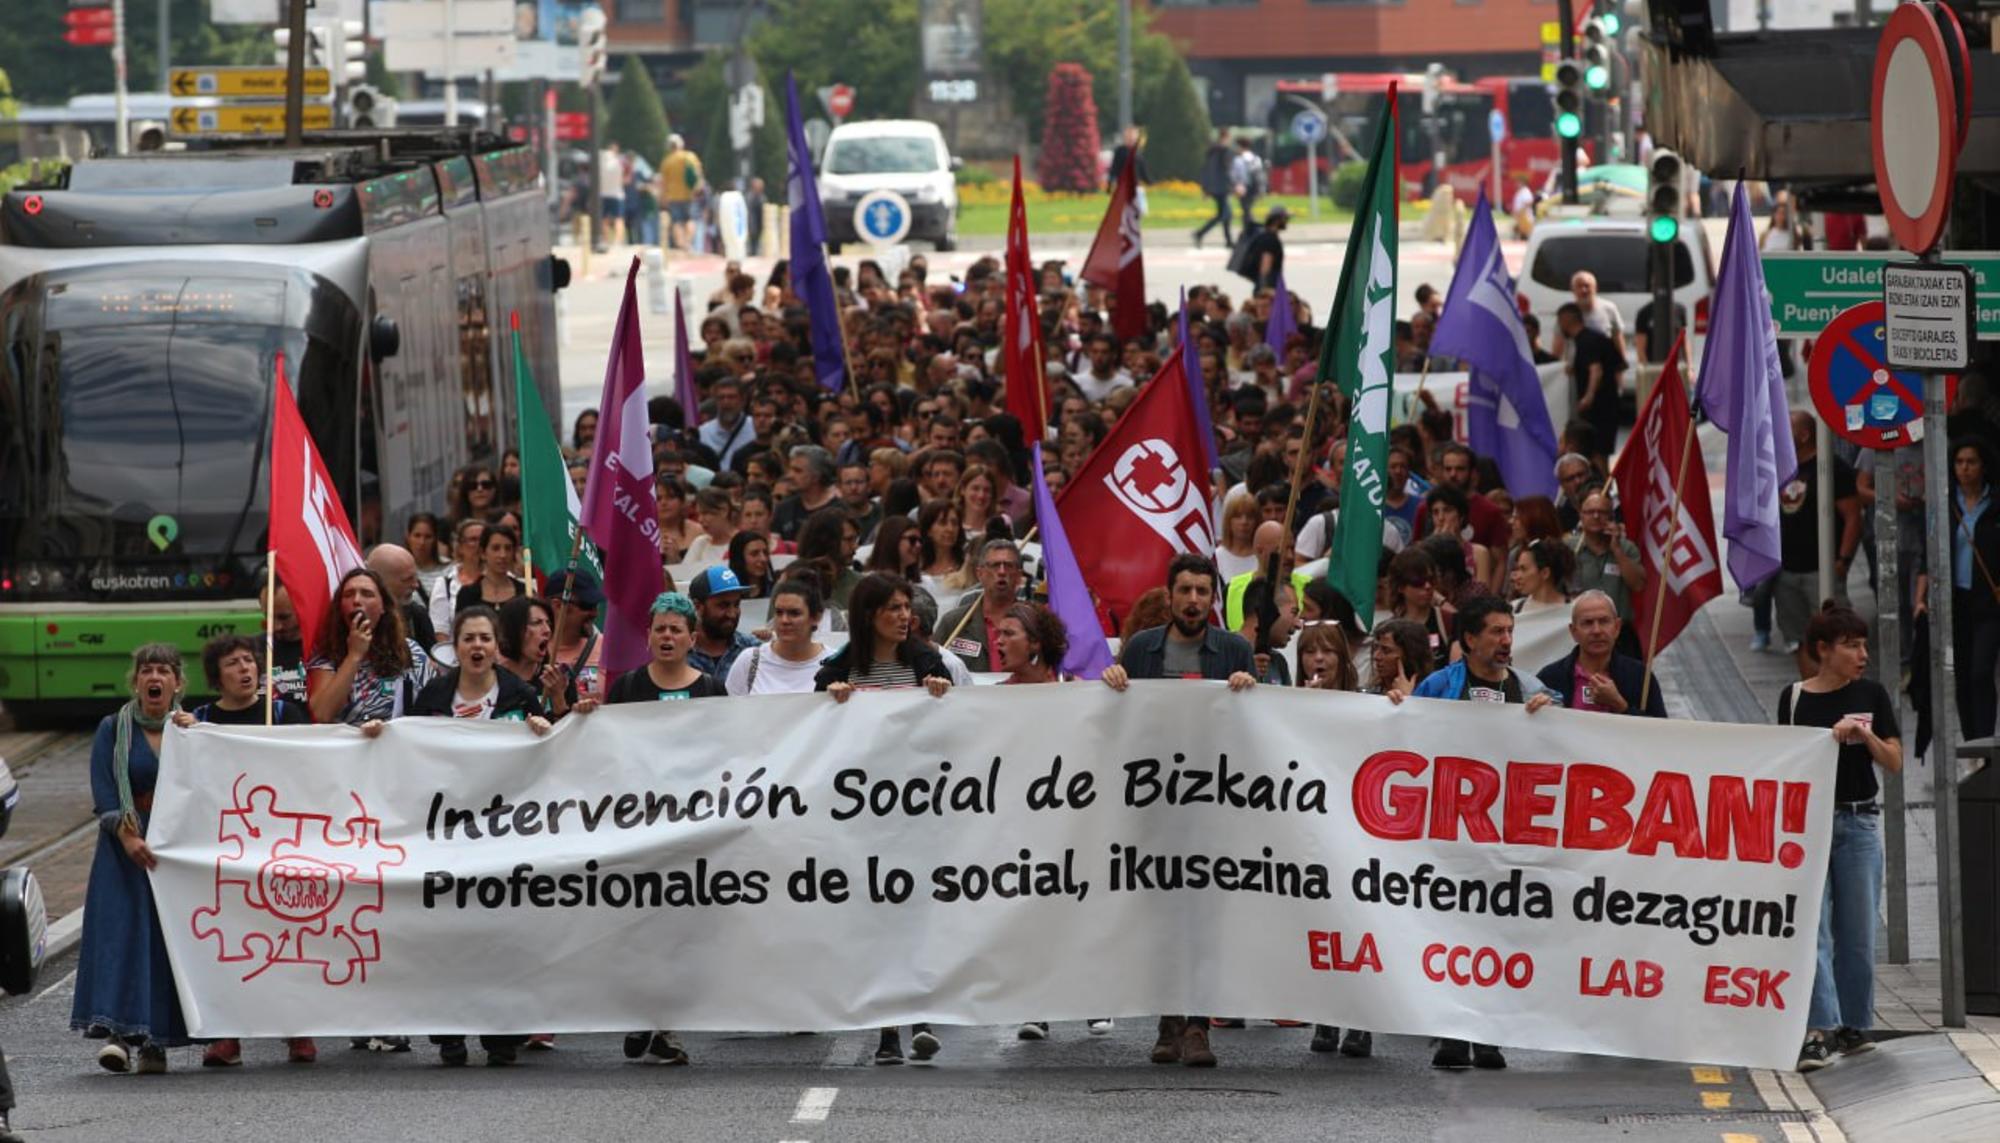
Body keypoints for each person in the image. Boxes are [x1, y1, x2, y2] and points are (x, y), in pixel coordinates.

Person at [1098, 554, 1256, 1069]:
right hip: (1155, 806)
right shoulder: (1143, 649)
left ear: (1213, 599)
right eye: (1185, 590)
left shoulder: (1233, 650)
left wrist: (1249, 693)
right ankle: (1168, 1018)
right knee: (1163, 916)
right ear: (1169, 596)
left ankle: (1197, 1026)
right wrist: (1114, 682)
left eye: (1202, 592)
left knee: (1204, 919)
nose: (1193, 600)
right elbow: (1118, 722)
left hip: (1212, 805)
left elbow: (1256, 728)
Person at [1397, 595, 1553, 1070]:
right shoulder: (1438, 687)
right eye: (1496, 632)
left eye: (1510, 631)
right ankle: (1452, 1032)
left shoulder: (1530, 690)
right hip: (1448, 836)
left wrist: (1553, 718)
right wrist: (1394, 712)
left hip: (1505, 838)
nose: (1507, 641)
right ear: (1468, 639)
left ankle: (1488, 1032)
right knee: (1451, 934)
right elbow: (1406, 744)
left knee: (1498, 934)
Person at [813, 573, 954, 1066]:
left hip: (917, 814)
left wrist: (940, 693)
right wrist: (829, 699)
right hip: (863, 819)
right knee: (877, 918)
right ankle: (888, 1029)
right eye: (892, 608)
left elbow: (955, 730)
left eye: (905, 607)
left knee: (916, 916)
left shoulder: (928, 664)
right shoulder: (837, 670)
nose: (903, 616)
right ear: (869, 615)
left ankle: (920, 1016)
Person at [1782, 605, 1901, 1071]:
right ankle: (1820, 1029)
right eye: (1851, 646)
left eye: (1863, 645)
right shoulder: (1794, 699)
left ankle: (1854, 1024)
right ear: (1823, 651)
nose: (1862, 654)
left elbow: (1893, 760)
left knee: (1857, 931)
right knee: (1812, 930)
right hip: (1809, 826)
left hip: (1858, 823)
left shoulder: (1871, 694)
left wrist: (1863, 737)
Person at [72, 644, 193, 1075]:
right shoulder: (113, 728)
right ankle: (119, 1036)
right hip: (126, 848)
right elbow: (104, 790)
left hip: (175, 847)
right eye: (146, 671)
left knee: (163, 942)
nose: (153, 677)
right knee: (122, 936)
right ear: (137, 681)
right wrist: (126, 837)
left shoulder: (191, 728)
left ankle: (155, 1043)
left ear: (178, 682)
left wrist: (198, 735)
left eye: (163, 670)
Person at [1775, 411, 1861, 673]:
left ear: (1804, 435)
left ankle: (1838, 698)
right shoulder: (1780, 469)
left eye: (1786, 429)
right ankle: (1812, 700)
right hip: (1787, 573)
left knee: (1836, 639)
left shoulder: (1833, 468)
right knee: (1800, 641)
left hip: (1821, 571)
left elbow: (1853, 517)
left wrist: (1842, 561)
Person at [307, 568, 437, 726]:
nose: (356, 600)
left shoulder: (411, 652)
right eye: (348, 595)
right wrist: (354, 655)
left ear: (383, 607)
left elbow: (433, 710)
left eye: (367, 594)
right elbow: (322, 713)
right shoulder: (326, 653)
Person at [1536, 591, 1668, 716]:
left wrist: (1620, 705)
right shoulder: (1550, 678)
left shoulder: (1640, 676)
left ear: (1617, 627)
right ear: (1573, 631)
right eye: (1587, 623)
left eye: (1604, 621)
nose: (1596, 630)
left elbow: (1660, 733)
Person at [1568, 490, 1646, 659]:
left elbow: (1638, 584)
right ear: (1580, 515)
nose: (1596, 516)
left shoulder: (1626, 548)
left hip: (1620, 635)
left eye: (1602, 512)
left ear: (1611, 516)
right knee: (1586, 685)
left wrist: (1616, 550)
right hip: (1581, 635)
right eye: (1590, 512)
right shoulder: (1569, 549)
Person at [934, 539, 1026, 671]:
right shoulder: (954, 622)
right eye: (994, 565)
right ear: (980, 574)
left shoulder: (1033, 622)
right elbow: (931, 666)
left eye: (1008, 565)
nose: (1001, 572)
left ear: (1019, 575)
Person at [725, 579, 829, 694]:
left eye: (794, 613)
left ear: (816, 618)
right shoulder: (750, 660)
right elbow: (728, 708)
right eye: (779, 612)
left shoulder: (835, 663)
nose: (784, 620)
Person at [1556, 302, 1627, 467]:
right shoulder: (1598, 339)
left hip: (1598, 409)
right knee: (1600, 452)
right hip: (1609, 405)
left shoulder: (1585, 342)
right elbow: (1619, 365)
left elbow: (1596, 369)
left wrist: (1588, 397)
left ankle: (1603, 489)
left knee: (1596, 453)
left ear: (1566, 321)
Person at [497, 595, 574, 719]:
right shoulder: (493, 680)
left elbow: (572, 732)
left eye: (548, 623)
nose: (547, 630)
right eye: (537, 623)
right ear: (513, 630)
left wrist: (558, 698)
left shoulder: (560, 676)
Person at [686, 566, 759, 683]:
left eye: (736, 604)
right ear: (697, 606)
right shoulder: (680, 652)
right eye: (723, 605)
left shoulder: (753, 650)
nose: (732, 614)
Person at [367, 542, 437, 649]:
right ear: (380, 581)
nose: (416, 585)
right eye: (407, 579)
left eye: (415, 577)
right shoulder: (358, 619)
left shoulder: (417, 616)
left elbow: (431, 661)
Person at [429, 518, 486, 640]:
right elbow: (440, 631)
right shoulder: (445, 584)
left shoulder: (505, 579)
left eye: (483, 540)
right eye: (472, 540)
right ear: (460, 546)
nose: (479, 545)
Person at [457, 525, 526, 613]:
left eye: (508, 548)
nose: (503, 555)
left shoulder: (524, 592)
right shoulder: (467, 594)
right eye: (496, 548)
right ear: (483, 553)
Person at [262, 581, 309, 705]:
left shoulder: (324, 649)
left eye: (284, 617)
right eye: (269, 617)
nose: (276, 627)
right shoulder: (251, 651)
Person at [659, 134, 704, 252]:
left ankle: (681, 245)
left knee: (677, 221)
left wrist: (663, 198)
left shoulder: (666, 162)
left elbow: (664, 183)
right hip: (690, 194)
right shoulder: (690, 156)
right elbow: (698, 173)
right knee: (690, 219)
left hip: (673, 196)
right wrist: (698, 188)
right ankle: (688, 243)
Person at [1193, 127, 1235, 249]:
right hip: (1223, 188)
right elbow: (1228, 171)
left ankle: (1228, 241)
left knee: (1226, 214)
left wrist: (1205, 188)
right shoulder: (1225, 151)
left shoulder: (1212, 151)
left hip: (1214, 188)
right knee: (1223, 215)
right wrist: (1233, 185)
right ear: (1226, 138)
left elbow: (1206, 171)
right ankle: (1199, 233)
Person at [1511, 538, 1574, 617]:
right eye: (1518, 569)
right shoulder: (1514, 609)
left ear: (1545, 573)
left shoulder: (1574, 611)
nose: (1517, 576)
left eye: (1524, 569)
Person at [405, 512, 447, 598]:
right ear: (408, 537)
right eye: (417, 536)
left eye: (428, 537)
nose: (422, 542)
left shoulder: (450, 570)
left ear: (435, 539)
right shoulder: (399, 570)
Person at [1247, 206, 1288, 291]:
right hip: (1269, 288)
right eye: (1284, 219)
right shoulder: (1270, 239)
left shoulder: (1265, 236)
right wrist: (1264, 290)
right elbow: (1265, 266)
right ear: (1277, 220)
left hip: (1267, 286)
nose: (1286, 222)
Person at [727, 530, 776, 599]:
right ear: (739, 558)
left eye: (765, 553)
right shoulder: (726, 594)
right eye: (754, 554)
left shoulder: (776, 589)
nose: (763, 559)